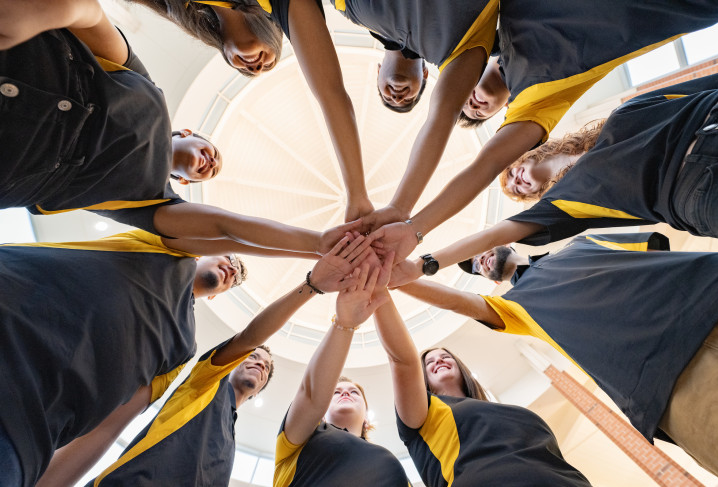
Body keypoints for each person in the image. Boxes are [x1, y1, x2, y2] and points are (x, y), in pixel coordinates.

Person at [0, 228, 368, 487]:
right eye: (229, 262)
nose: (232, 272)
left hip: (24, 433)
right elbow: (247, 336)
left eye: (267, 366)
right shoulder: (202, 380)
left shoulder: (179, 349)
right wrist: (313, 281)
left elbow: (107, 428)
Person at [365, 2, 718, 257]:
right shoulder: (535, 105)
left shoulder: (494, 19)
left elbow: (439, 113)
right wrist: (413, 226)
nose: (471, 105)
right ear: (502, 114)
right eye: (478, 115)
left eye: (464, 100)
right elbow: (484, 167)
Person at [0, 1, 360, 248]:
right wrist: (45, 10)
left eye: (208, 173)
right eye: (213, 153)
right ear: (186, 132)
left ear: (184, 182)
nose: (255, 67)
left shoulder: (151, 202)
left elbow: (227, 229)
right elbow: (89, 16)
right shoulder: (142, 85)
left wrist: (318, 246)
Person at [394, 233, 718, 481]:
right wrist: (399, 276)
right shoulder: (516, 307)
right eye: (475, 267)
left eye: (480, 252)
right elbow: (458, 302)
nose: (480, 261)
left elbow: (654, 255)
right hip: (671, 378)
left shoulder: (583, 244)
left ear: (507, 243)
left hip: (713, 298)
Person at [359, 256, 593, 486]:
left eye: (445, 356)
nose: (438, 361)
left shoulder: (502, 410)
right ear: (423, 378)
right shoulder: (422, 417)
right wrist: (378, 288)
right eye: (429, 362)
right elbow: (402, 360)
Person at [497, 74, 718, 244]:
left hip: (715, 120)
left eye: (510, 173)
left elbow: (686, 94)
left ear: (525, 156)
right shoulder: (564, 202)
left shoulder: (616, 117)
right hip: (703, 193)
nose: (516, 182)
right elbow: (511, 231)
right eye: (516, 190)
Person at [273, 257, 411, 486]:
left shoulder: (386, 460)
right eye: (336, 392)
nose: (345, 394)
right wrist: (345, 323)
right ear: (323, 413)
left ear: (367, 417)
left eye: (354, 393)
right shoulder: (300, 440)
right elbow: (312, 396)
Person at [128, 0, 283, 76]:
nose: (255, 69)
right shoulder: (267, 4)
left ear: (226, 53)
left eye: (243, 70)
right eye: (269, 64)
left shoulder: (180, 6)